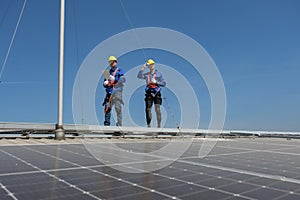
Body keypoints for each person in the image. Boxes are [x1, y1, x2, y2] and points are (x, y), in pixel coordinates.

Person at [137, 59, 166, 128]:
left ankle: (159, 125)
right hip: (149, 93)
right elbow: (139, 76)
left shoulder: (159, 74)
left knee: (157, 109)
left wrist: (156, 82)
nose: (151, 66)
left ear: (154, 65)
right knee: (148, 109)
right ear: (148, 66)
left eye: (152, 64)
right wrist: (143, 68)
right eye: (150, 65)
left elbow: (164, 83)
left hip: (157, 93)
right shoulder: (147, 75)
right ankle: (149, 125)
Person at [102, 56, 126, 126]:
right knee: (107, 108)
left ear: (116, 62)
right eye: (110, 62)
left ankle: (119, 124)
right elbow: (105, 83)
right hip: (109, 93)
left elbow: (123, 80)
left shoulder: (119, 71)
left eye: (113, 61)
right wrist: (105, 84)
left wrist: (115, 79)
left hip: (117, 92)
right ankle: (107, 125)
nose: (112, 63)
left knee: (118, 107)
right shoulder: (107, 73)